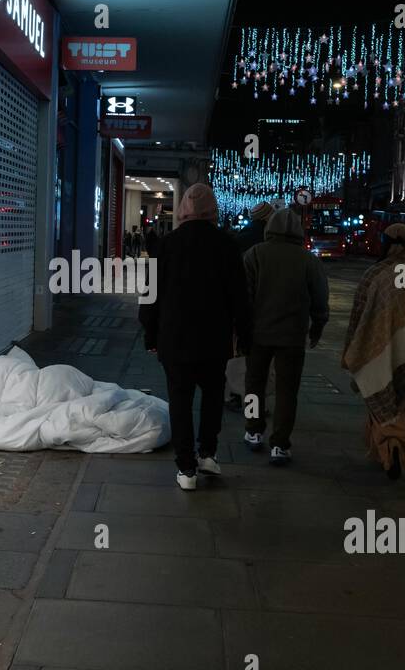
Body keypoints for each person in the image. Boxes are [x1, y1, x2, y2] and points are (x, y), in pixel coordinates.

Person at [140, 183, 251, 491]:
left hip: (174, 339)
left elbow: (150, 297)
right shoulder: (227, 246)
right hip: (214, 340)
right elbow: (240, 298)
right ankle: (208, 453)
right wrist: (244, 335)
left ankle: (186, 468)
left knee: (180, 400)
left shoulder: (167, 244)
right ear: (213, 210)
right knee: (213, 397)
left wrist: (150, 334)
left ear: (184, 209)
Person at [340, 223, 405, 479]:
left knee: (381, 399)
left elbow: (358, 315)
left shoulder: (374, 274)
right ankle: (403, 448)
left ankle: (389, 448)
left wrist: (352, 349)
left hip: (379, 352)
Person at [242, 208, 329, 466]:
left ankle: (253, 430)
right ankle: (280, 444)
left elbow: (244, 295)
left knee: (253, 385)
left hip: (258, 334)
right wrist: (317, 327)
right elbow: (320, 298)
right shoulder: (308, 260)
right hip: (292, 336)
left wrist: (242, 327)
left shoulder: (255, 254)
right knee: (287, 391)